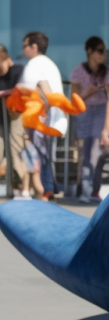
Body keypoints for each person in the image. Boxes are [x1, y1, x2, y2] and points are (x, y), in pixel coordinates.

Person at [19, 31, 67, 200]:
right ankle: (47, 192)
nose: (23, 50)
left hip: (41, 119)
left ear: (34, 47)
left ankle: (44, 194)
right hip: (51, 120)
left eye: (25, 45)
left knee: (37, 158)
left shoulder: (35, 64)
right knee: (43, 158)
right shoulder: (49, 64)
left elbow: (43, 91)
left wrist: (42, 113)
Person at [70, 36, 109, 202]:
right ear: (90, 51)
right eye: (100, 51)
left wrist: (108, 91)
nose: (103, 55)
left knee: (94, 151)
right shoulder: (78, 70)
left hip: (101, 111)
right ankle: (89, 190)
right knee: (85, 152)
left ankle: (89, 191)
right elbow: (74, 98)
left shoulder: (107, 72)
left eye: (104, 51)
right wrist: (90, 92)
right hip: (84, 113)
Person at [0, 44, 25, 188]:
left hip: (16, 114)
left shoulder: (19, 71)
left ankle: (20, 185)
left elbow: (22, 89)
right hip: (1, 117)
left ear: (6, 59)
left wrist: (4, 93)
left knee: (15, 149)